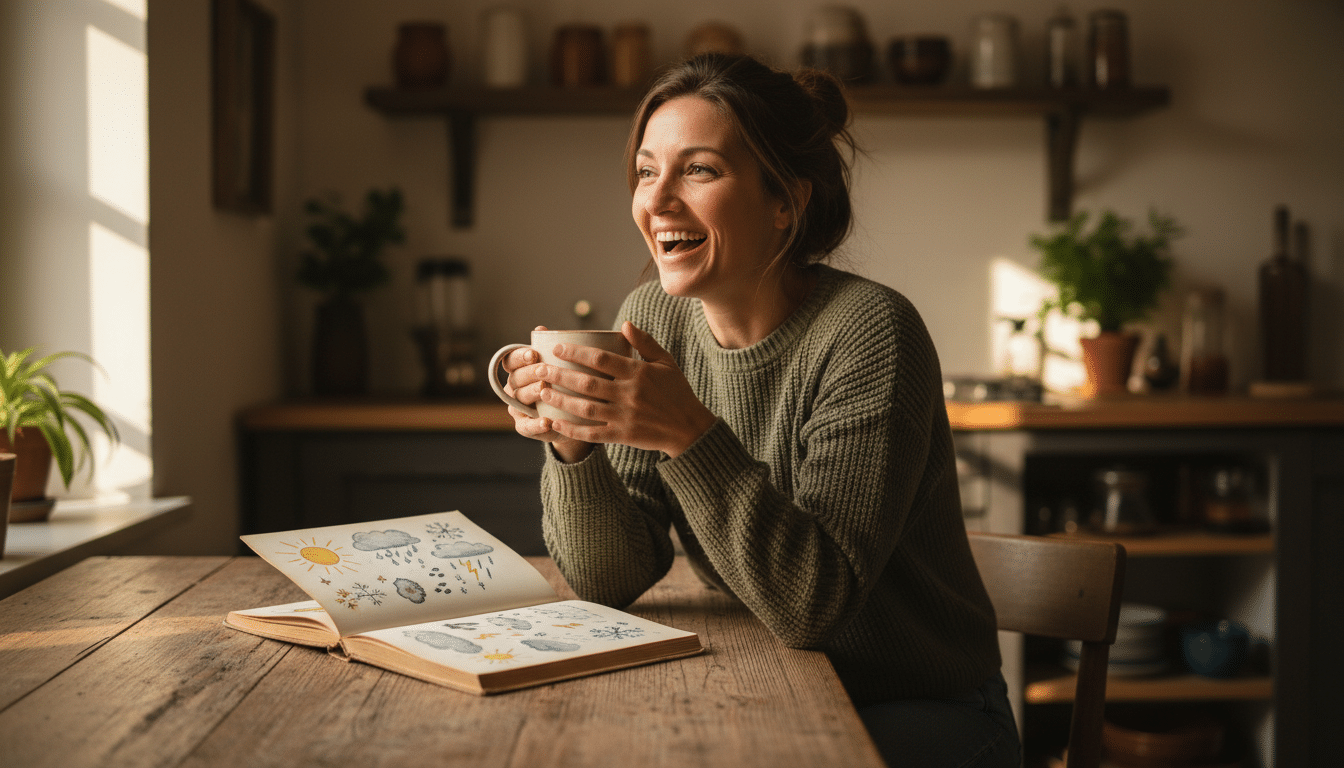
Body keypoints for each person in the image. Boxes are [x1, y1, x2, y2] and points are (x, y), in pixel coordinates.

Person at [499, 53, 1018, 767]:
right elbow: (610, 577)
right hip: (776, 685)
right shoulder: (654, 319)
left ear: (787, 202)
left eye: (699, 171)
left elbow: (815, 604)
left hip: (923, 708)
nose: (657, 202)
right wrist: (574, 444)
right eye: (648, 171)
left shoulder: (871, 333)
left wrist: (687, 432)